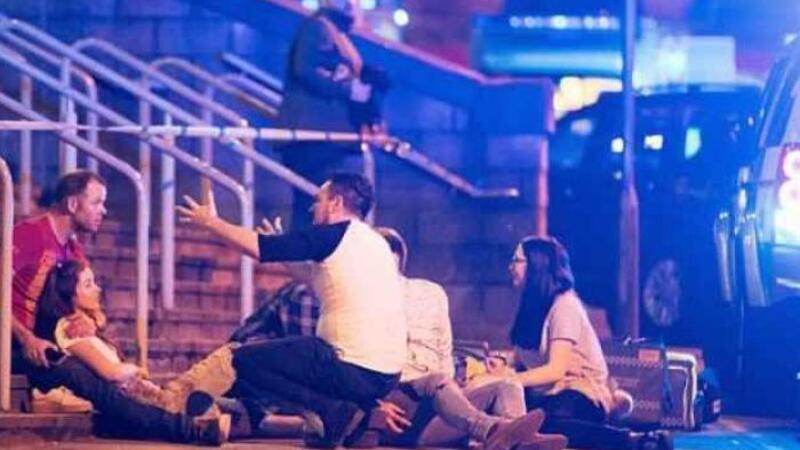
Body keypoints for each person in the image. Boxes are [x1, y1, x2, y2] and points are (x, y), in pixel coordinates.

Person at [178, 173, 407, 447]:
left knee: (244, 361)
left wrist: (210, 223)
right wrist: (280, 248)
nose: (313, 207)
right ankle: (341, 416)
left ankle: (332, 411)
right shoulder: (373, 242)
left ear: (335, 203)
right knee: (291, 358)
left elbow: (260, 248)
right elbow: (312, 276)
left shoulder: (334, 234)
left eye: (319, 200)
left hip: (349, 368)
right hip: (386, 376)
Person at [11, 171, 226, 445]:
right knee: (81, 375)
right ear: (73, 204)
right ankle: (189, 430)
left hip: (46, 342)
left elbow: (92, 302)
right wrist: (26, 338)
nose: (103, 210)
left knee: (109, 383)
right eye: (96, 202)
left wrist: (91, 321)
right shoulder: (29, 235)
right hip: (15, 345)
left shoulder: (72, 248)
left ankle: (161, 422)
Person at [499, 235, 672, 450]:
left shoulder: (565, 306)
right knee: (513, 414)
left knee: (544, 421)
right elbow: (521, 358)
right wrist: (499, 364)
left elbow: (555, 370)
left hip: (579, 392)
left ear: (537, 265)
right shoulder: (532, 307)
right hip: (546, 393)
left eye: (516, 260)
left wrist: (509, 379)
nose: (510, 267)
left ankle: (636, 441)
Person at [276, 0, 388, 230]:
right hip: (313, 137)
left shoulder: (334, 31)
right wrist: (349, 89)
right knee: (314, 205)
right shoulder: (319, 28)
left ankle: (307, 249)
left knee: (316, 206)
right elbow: (306, 69)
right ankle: (304, 251)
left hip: (323, 138)